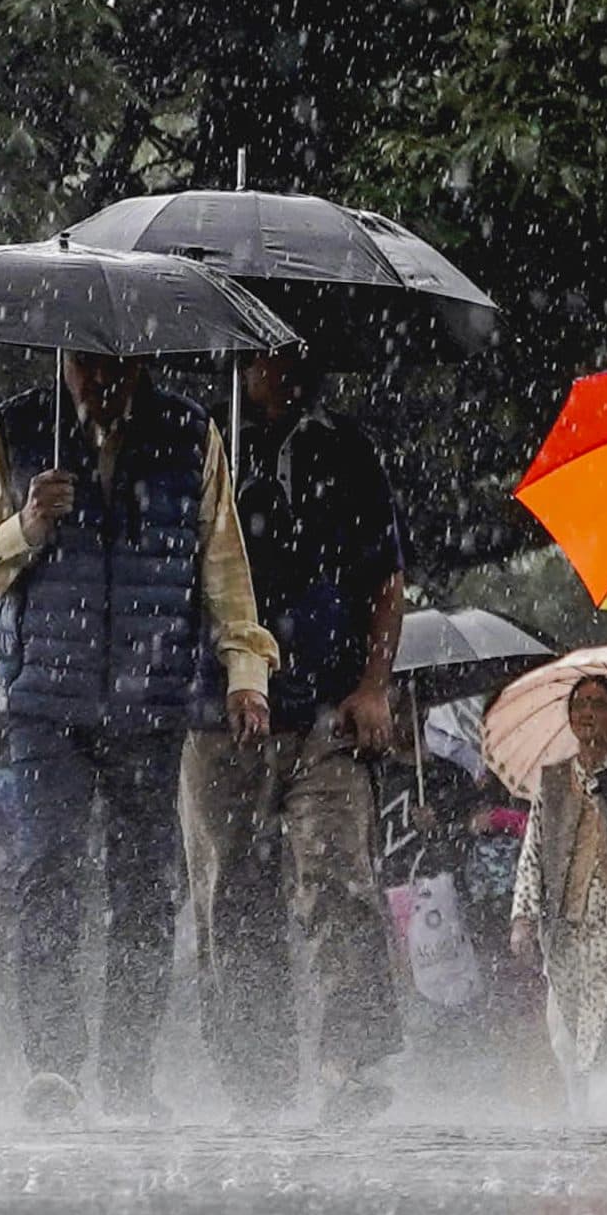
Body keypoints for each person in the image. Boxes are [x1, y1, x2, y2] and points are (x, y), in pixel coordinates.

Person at [0, 347, 277, 1125]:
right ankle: (54, 1067)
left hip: (151, 698)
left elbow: (225, 570)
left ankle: (128, 1072)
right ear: (64, 358)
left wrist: (244, 674)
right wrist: (26, 525)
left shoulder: (190, 435)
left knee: (144, 891)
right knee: (48, 875)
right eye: (89, 366)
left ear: (141, 360)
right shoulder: (18, 428)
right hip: (44, 701)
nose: (103, 382)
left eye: (119, 367)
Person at [178, 344, 408, 1126]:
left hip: (327, 710)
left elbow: (386, 577)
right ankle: (256, 1079)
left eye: (301, 353)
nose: (288, 367)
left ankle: (350, 1060)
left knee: (339, 877)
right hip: (216, 708)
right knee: (227, 895)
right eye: (270, 355)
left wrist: (375, 684)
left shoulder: (346, 448)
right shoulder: (200, 439)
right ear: (241, 358)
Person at [511, 673, 607, 1125]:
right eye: (580, 705)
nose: (587, 714)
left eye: (599, 704)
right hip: (569, 932)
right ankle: (585, 1122)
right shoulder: (554, 783)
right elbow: (533, 853)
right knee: (569, 1034)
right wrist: (523, 917)